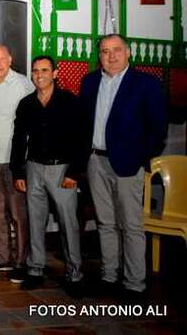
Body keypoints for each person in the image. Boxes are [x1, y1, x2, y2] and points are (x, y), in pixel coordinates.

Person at [79, 34, 167, 300]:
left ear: (128, 53)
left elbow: (158, 128)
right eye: (105, 51)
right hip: (96, 161)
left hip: (128, 165)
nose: (111, 56)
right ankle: (109, 275)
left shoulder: (146, 84)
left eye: (117, 50)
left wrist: (141, 157)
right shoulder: (90, 81)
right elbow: (84, 120)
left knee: (131, 225)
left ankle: (134, 283)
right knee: (105, 222)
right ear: (99, 56)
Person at [11, 56, 84, 296]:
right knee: (35, 220)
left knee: (68, 224)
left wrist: (74, 172)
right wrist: (18, 171)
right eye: (35, 71)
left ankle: (75, 274)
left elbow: (80, 139)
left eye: (44, 70)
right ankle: (35, 269)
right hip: (33, 168)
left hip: (62, 170)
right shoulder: (26, 104)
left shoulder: (70, 102)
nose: (39, 74)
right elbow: (19, 139)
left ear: (55, 73)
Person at [0, 45, 34, 283]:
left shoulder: (23, 85)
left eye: (1, 60)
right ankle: (2, 257)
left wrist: (23, 161)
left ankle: (21, 262)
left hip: (13, 161)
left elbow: (30, 125)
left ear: (10, 59)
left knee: (18, 213)